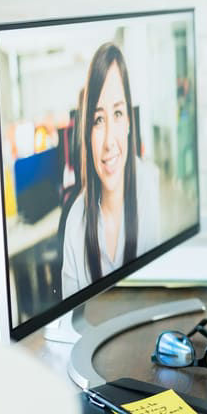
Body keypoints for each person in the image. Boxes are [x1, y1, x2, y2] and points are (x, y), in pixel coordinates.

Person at [61, 42, 159, 294]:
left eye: (117, 114)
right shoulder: (75, 225)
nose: (108, 142)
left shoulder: (153, 187)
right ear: (86, 133)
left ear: (128, 121)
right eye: (98, 120)